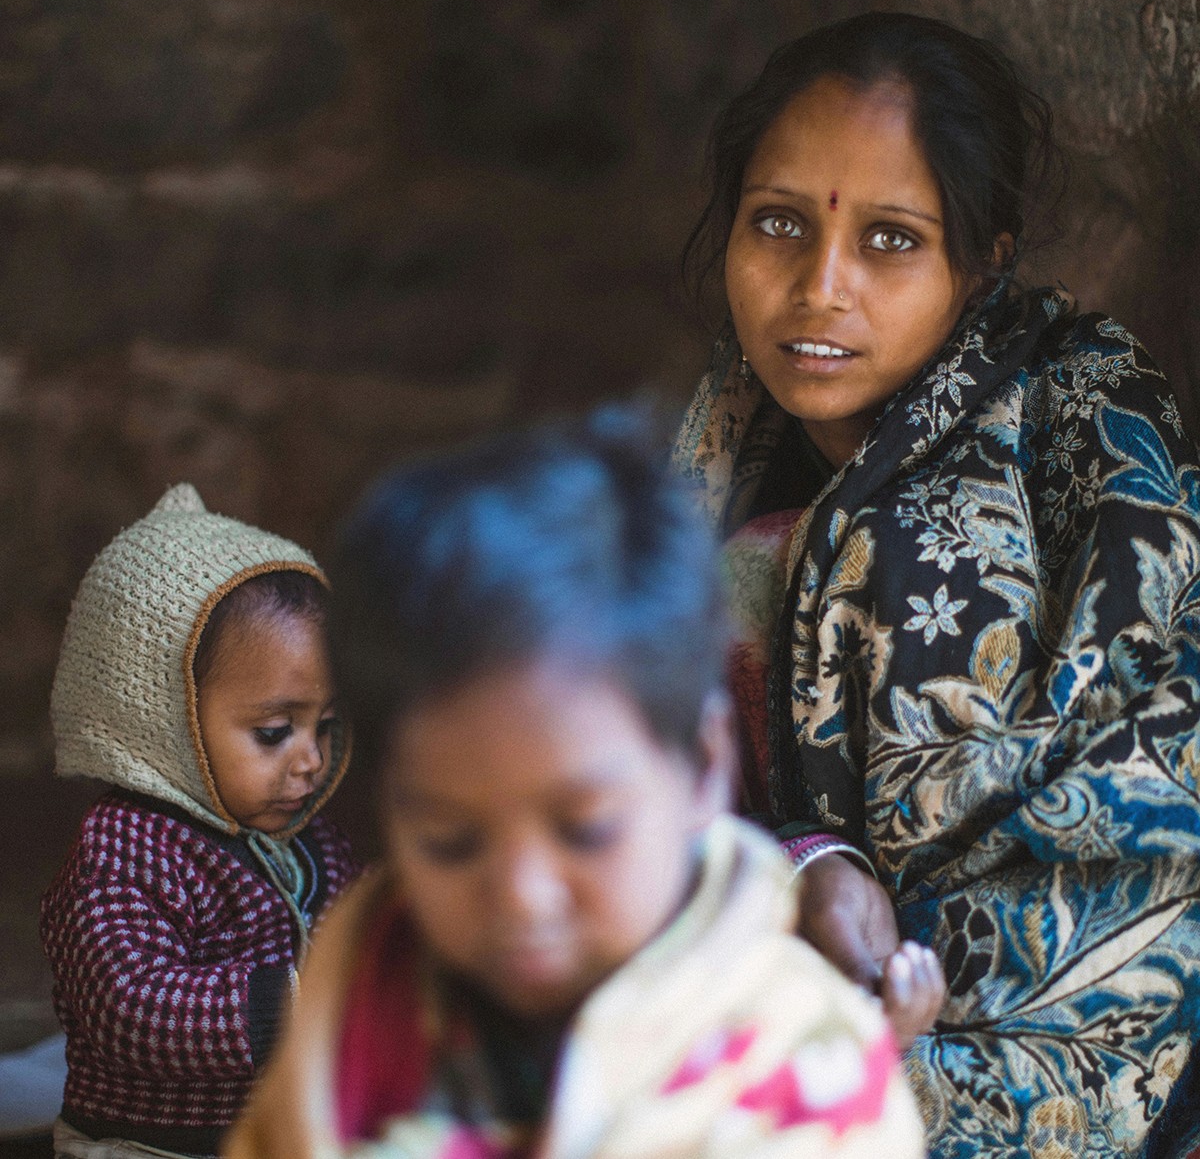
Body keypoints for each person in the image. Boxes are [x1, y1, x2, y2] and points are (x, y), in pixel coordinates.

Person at [673, 10, 1200, 1158]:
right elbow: (605, 785)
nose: (817, 286)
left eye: (889, 239)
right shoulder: (710, 472)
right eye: (776, 223)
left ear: (983, 254)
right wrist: (805, 865)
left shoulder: (1092, 434)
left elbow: (1186, 741)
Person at [226, 407, 934, 1159]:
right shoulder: (363, 977)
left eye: (587, 830)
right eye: (448, 842)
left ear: (701, 770)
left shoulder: (804, 1058)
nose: (522, 894)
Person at [41, 483, 358, 1159]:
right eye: (275, 732)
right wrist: (286, 1002)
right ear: (163, 723)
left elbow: (356, 932)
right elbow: (124, 1006)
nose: (311, 760)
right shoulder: (123, 850)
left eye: (325, 726)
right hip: (149, 1144)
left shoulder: (310, 844)